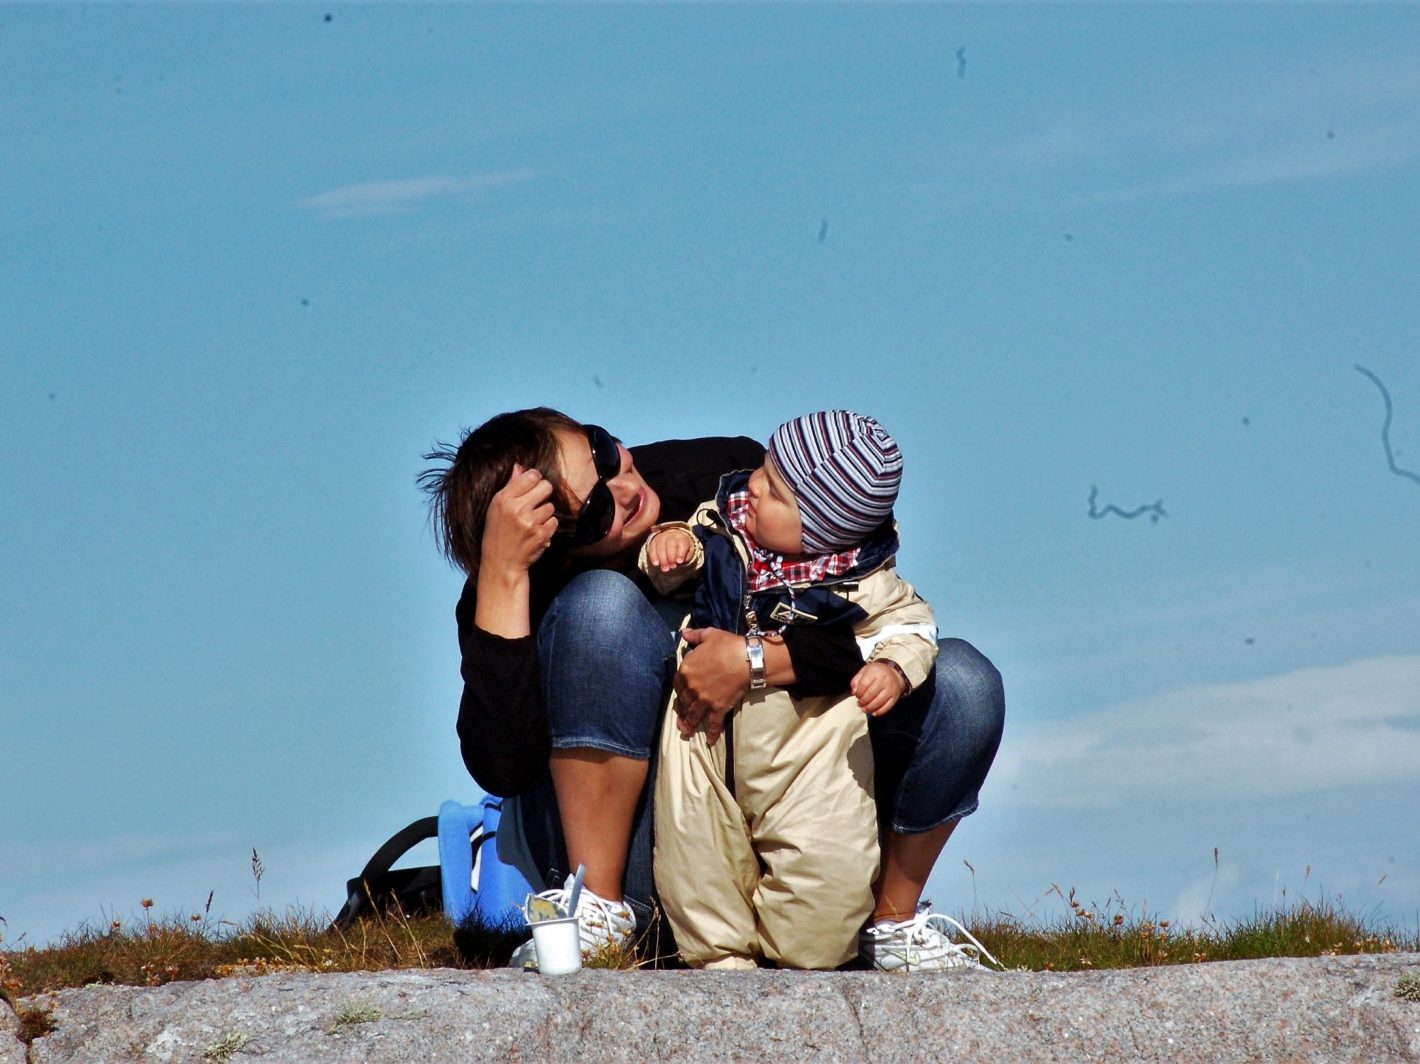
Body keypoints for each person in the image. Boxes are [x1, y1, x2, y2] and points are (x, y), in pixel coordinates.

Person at [420, 407, 1005, 970]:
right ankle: (598, 916)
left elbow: (868, 619)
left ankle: (887, 925)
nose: (624, 488)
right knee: (601, 605)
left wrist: (755, 662)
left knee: (964, 683)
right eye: (596, 508)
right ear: (549, 545)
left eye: (602, 449)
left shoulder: (723, 479)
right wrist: (501, 574)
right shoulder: (516, 584)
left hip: (794, 820)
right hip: (643, 861)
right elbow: (502, 768)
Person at [642, 411, 940, 970]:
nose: (754, 485)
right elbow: (675, 567)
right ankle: (720, 966)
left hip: (810, 749)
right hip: (700, 738)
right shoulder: (722, 524)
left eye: (776, 491)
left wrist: (895, 669)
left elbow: (911, 627)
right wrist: (670, 546)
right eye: (764, 468)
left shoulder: (864, 583)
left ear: (821, 531)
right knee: (695, 861)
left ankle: (805, 964)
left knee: (826, 869)